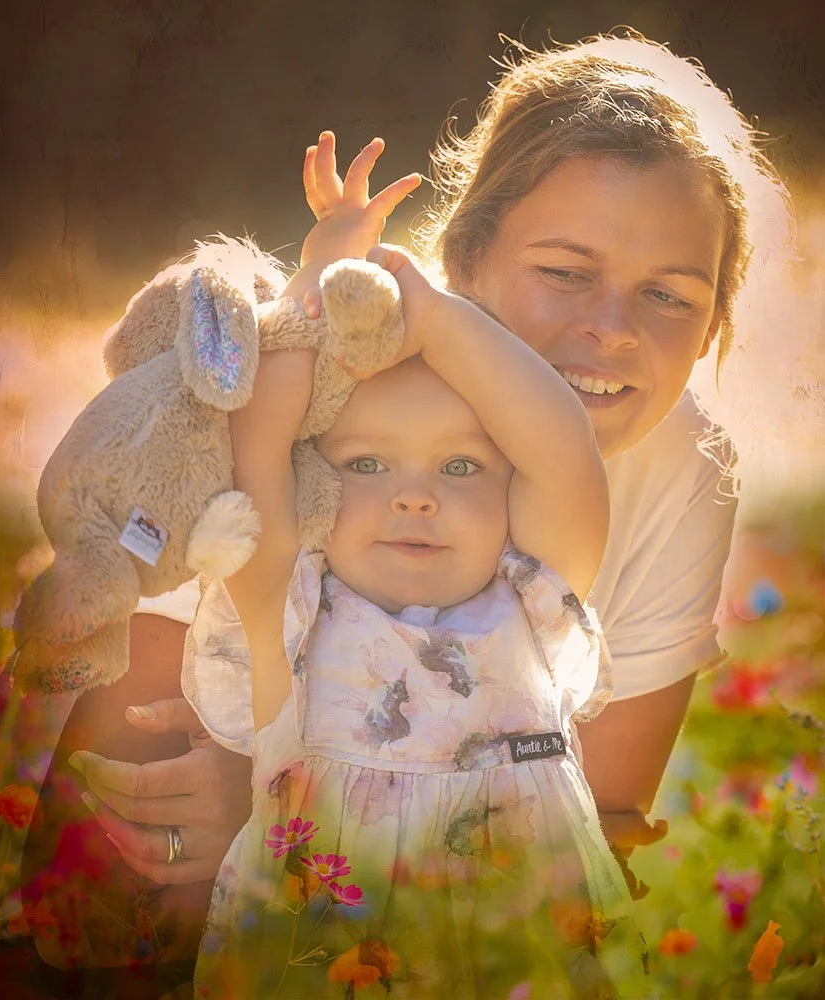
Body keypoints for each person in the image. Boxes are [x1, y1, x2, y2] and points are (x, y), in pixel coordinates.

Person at [18, 29, 791, 986]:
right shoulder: (326, 393)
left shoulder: (676, 468)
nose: (609, 329)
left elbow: (606, 819)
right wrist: (271, 778)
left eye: (670, 296)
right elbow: (97, 821)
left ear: (716, 316)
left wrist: (341, 813)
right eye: (562, 270)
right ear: (461, 255)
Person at [183, 130, 649, 999]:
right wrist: (321, 281)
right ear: (313, 482)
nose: (415, 498)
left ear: (509, 486)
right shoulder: (285, 609)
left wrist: (434, 317)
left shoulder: (530, 598)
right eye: (365, 465)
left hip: (525, 959)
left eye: (461, 467)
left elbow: (559, 444)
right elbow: (258, 441)